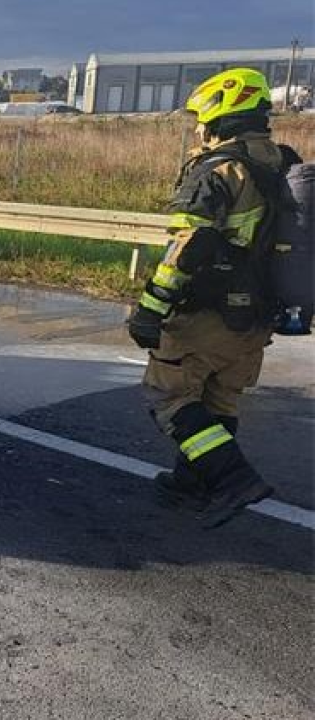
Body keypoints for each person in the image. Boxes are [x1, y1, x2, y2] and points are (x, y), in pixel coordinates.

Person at [126, 68, 297, 529]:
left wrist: (151, 307)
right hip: (259, 316)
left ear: (221, 115)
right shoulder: (281, 163)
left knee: (170, 398)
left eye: (202, 118)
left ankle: (232, 480)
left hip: (210, 313)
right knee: (220, 399)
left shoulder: (219, 170)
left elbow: (189, 246)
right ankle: (191, 481)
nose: (199, 128)